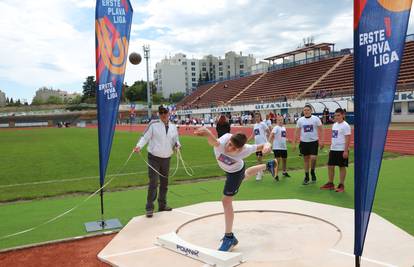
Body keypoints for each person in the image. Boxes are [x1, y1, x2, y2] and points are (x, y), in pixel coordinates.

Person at [194, 127, 277, 252]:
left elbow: (264, 145)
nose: (229, 148)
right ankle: (268, 165)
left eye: (234, 148)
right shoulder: (225, 139)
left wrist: (267, 146)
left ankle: (229, 237)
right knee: (246, 175)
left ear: (241, 149)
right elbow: (214, 142)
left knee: (226, 201)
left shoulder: (246, 149)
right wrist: (207, 133)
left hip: (235, 172)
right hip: (230, 169)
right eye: (230, 144)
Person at [134, 105, 181, 218]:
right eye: (161, 112)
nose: (163, 114)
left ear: (169, 113)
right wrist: (138, 146)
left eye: (165, 112)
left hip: (167, 158)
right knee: (153, 183)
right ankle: (149, 208)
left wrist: (178, 146)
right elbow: (145, 137)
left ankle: (162, 205)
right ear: (158, 114)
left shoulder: (173, 127)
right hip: (154, 158)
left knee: (164, 183)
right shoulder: (153, 124)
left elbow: (176, 140)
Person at [320, 108, 351, 192]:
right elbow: (334, 137)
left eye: (338, 115)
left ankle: (341, 185)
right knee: (330, 166)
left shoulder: (346, 125)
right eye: (335, 115)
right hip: (333, 149)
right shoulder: (334, 125)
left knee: (341, 167)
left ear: (343, 115)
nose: (336, 117)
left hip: (342, 149)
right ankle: (330, 183)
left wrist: (345, 151)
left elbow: (348, 139)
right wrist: (331, 148)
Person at [292, 105, 324, 185]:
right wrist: (294, 143)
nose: (306, 111)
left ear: (311, 111)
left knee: (313, 158)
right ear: (303, 111)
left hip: (313, 142)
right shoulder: (300, 120)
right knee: (306, 160)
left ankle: (312, 171)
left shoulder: (316, 119)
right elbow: (297, 132)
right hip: (304, 143)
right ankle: (306, 176)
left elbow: (321, 130)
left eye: (308, 110)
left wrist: (322, 141)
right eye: (305, 110)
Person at [249, 113, 270, 181]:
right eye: (256, 117)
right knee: (259, 159)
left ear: (260, 117)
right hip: (257, 145)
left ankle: (259, 173)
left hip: (262, 144)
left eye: (258, 117)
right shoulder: (255, 125)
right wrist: (246, 140)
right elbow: (253, 135)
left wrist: (267, 141)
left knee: (259, 158)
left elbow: (268, 131)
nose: (257, 118)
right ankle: (261, 171)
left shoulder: (263, 124)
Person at [269, 116, 290, 180]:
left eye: (281, 120)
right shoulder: (276, 127)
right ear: (277, 121)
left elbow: (283, 137)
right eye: (279, 120)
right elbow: (271, 135)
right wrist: (268, 144)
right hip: (277, 147)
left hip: (284, 147)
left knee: (284, 160)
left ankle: (284, 172)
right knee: (277, 162)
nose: (280, 121)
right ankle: (276, 175)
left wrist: (287, 140)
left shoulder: (284, 128)